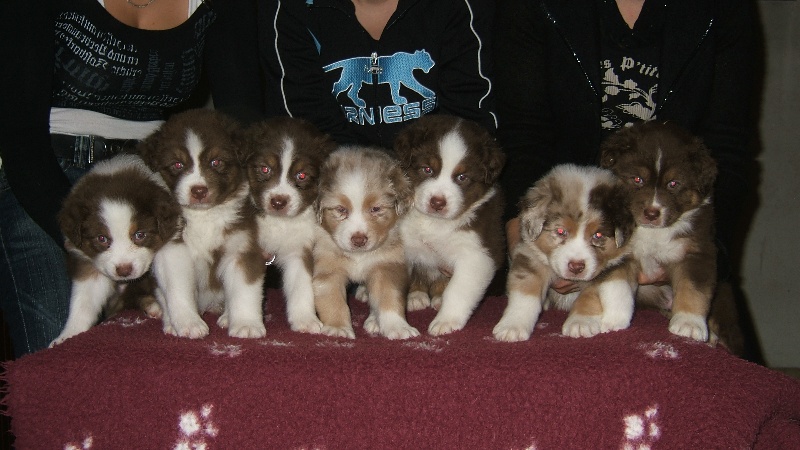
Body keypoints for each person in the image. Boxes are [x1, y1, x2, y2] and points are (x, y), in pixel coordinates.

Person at [494, 0, 761, 357]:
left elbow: (728, 149)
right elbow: (524, 136)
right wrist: (520, 235)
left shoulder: (724, 9)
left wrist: (703, 252)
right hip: (563, 231)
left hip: (677, 244)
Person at [0, 0, 264, 357]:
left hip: (161, 175)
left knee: (178, 338)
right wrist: (85, 236)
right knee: (57, 345)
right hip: (51, 172)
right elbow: (20, 135)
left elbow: (241, 117)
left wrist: (257, 212)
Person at [258, 0, 497, 150]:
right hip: (339, 178)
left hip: (432, 178)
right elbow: (305, 126)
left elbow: (469, 122)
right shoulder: (289, 7)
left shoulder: (460, 6)